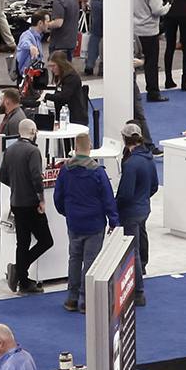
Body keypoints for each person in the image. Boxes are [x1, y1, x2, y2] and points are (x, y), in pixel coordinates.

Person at [54, 132, 118, 313]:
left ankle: (72, 298)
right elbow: (108, 198)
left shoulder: (66, 170)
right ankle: (86, 300)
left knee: (74, 259)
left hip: (74, 223)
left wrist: (67, 213)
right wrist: (114, 221)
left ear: (75, 148)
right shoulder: (97, 172)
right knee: (91, 261)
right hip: (94, 224)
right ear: (89, 147)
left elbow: (58, 197)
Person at [1, 119, 54, 294]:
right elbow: (36, 177)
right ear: (32, 131)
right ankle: (19, 270)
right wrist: (41, 200)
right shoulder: (33, 151)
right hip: (31, 203)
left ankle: (22, 278)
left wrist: (17, 186)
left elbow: (2, 176)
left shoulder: (10, 150)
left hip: (16, 202)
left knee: (22, 243)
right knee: (46, 240)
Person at [115, 123, 157, 305]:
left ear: (124, 139)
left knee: (133, 253)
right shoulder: (148, 158)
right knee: (138, 247)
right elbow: (154, 186)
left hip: (131, 212)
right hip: (143, 209)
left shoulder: (131, 164)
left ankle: (138, 292)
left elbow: (125, 194)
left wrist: (114, 208)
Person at [131, 0, 168, 102]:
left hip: (134, 29)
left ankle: (131, 90)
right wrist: (167, 7)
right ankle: (153, 92)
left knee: (132, 61)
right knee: (151, 62)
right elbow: (157, 10)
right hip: (149, 30)